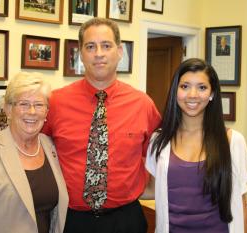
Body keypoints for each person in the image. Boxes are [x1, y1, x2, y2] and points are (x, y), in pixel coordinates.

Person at [42, 17, 161, 233]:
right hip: (71, 221)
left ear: (120, 51)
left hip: (127, 220)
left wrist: (149, 188)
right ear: (80, 53)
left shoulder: (143, 104)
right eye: (90, 46)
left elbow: (158, 154)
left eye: (106, 45)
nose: (99, 53)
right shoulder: (55, 103)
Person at [144, 58, 247, 233]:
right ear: (175, 92)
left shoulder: (233, 141)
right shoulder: (159, 140)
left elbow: (241, 201)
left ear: (212, 94)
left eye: (202, 87)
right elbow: (152, 190)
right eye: (185, 86)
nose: (192, 94)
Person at [0, 72, 69, 233]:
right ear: (8, 110)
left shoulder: (50, 146)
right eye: (23, 104)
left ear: (46, 112)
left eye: (39, 105)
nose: (32, 111)